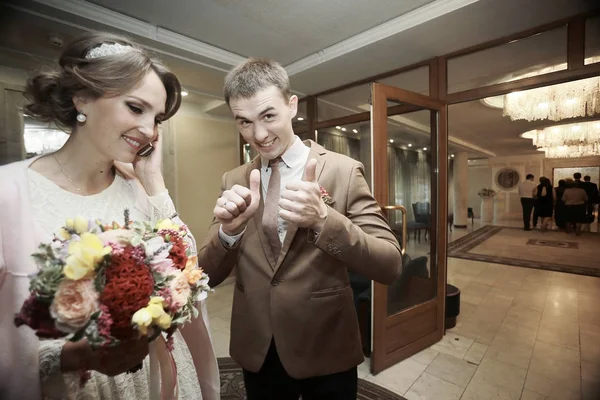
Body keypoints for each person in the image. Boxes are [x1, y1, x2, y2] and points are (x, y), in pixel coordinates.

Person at [0, 33, 219, 399]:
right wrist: (75, 355)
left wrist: (153, 180)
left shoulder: (137, 188)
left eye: (157, 118)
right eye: (136, 108)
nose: (150, 131)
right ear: (82, 96)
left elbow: (185, 269)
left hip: (151, 376)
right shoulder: (10, 192)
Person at [198, 58, 402, 400]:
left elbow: (389, 264)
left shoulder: (343, 171)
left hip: (326, 345)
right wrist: (228, 233)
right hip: (258, 346)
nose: (258, 135)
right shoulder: (233, 180)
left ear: (292, 106)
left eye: (268, 116)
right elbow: (205, 274)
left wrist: (324, 220)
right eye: (244, 122)